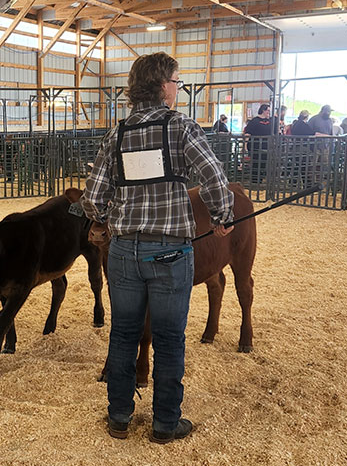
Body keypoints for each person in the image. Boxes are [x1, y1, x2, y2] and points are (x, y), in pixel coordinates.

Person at [80, 52, 234, 444]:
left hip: (124, 252)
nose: (178, 88)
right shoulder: (181, 127)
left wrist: (109, 218)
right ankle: (166, 423)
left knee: (123, 334)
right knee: (168, 338)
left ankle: (118, 417)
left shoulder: (116, 134)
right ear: (162, 85)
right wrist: (221, 216)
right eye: (176, 81)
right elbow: (214, 178)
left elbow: (93, 198)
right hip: (169, 252)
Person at [244, 104, 272, 182]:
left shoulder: (269, 121)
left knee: (264, 164)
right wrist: (245, 145)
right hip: (255, 146)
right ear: (263, 110)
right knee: (256, 163)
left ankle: (260, 180)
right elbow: (248, 133)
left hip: (266, 146)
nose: (269, 112)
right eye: (268, 111)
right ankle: (255, 182)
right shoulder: (254, 121)